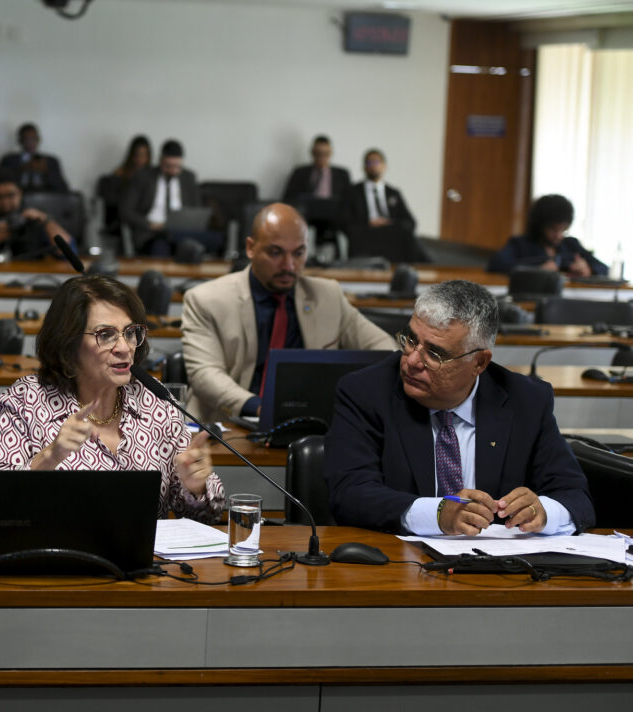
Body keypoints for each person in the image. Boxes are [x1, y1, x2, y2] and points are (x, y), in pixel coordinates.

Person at [325, 280, 595, 536]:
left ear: (479, 362)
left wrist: (543, 512)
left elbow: (575, 497)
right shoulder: (366, 392)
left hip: (499, 572)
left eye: (435, 353)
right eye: (410, 340)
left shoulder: (526, 401)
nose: (412, 361)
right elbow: (350, 494)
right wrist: (438, 514)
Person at [0, 274, 225, 523]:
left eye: (130, 333)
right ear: (69, 342)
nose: (124, 347)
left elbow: (206, 515)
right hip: (55, 558)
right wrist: (49, 457)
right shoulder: (26, 402)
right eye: (105, 334)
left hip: (141, 561)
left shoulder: (155, 401)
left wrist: (195, 487)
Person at [181, 203, 396, 422]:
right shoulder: (206, 300)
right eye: (276, 253)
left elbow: (385, 349)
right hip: (228, 424)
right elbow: (205, 374)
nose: (289, 266)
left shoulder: (327, 295)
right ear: (250, 248)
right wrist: (260, 408)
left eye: (298, 253)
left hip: (311, 425)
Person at [0, 168, 74, 259]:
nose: (5, 203)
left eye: (10, 195)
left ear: (20, 193)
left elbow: (69, 251)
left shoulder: (35, 219)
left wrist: (46, 221)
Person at [120, 139, 214, 256]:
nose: (172, 170)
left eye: (176, 166)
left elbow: (196, 210)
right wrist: (150, 224)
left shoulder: (189, 178)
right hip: (152, 233)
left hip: (181, 233)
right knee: (161, 247)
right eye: (167, 166)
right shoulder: (143, 177)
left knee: (202, 244)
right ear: (160, 161)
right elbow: (125, 211)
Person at [486, 194, 607, 276]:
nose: (559, 235)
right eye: (554, 230)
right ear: (540, 225)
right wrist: (536, 271)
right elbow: (496, 265)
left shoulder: (571, 245)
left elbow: (604, 268)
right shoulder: (521, 244)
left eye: (563, 230)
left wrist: (588, 269)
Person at [0, 122, 68, 193]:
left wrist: (46, 171)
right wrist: (22, 168)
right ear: (20, 141)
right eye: (26, 139)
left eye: (33, 139)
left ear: (38, 139)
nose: (30, 143)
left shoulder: (51, 161)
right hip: (18, 198)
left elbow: (62, 188)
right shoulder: (9, 160)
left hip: (44, 197)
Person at [281, 135, 351, 204]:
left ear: (330, 154)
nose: (322, 157)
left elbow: (348, 199)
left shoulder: (342, 174)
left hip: (334, 213)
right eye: (318, 154)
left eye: (325, 154)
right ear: (312, 153)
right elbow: (288, 198)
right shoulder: (300, 173)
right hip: (306, 212)